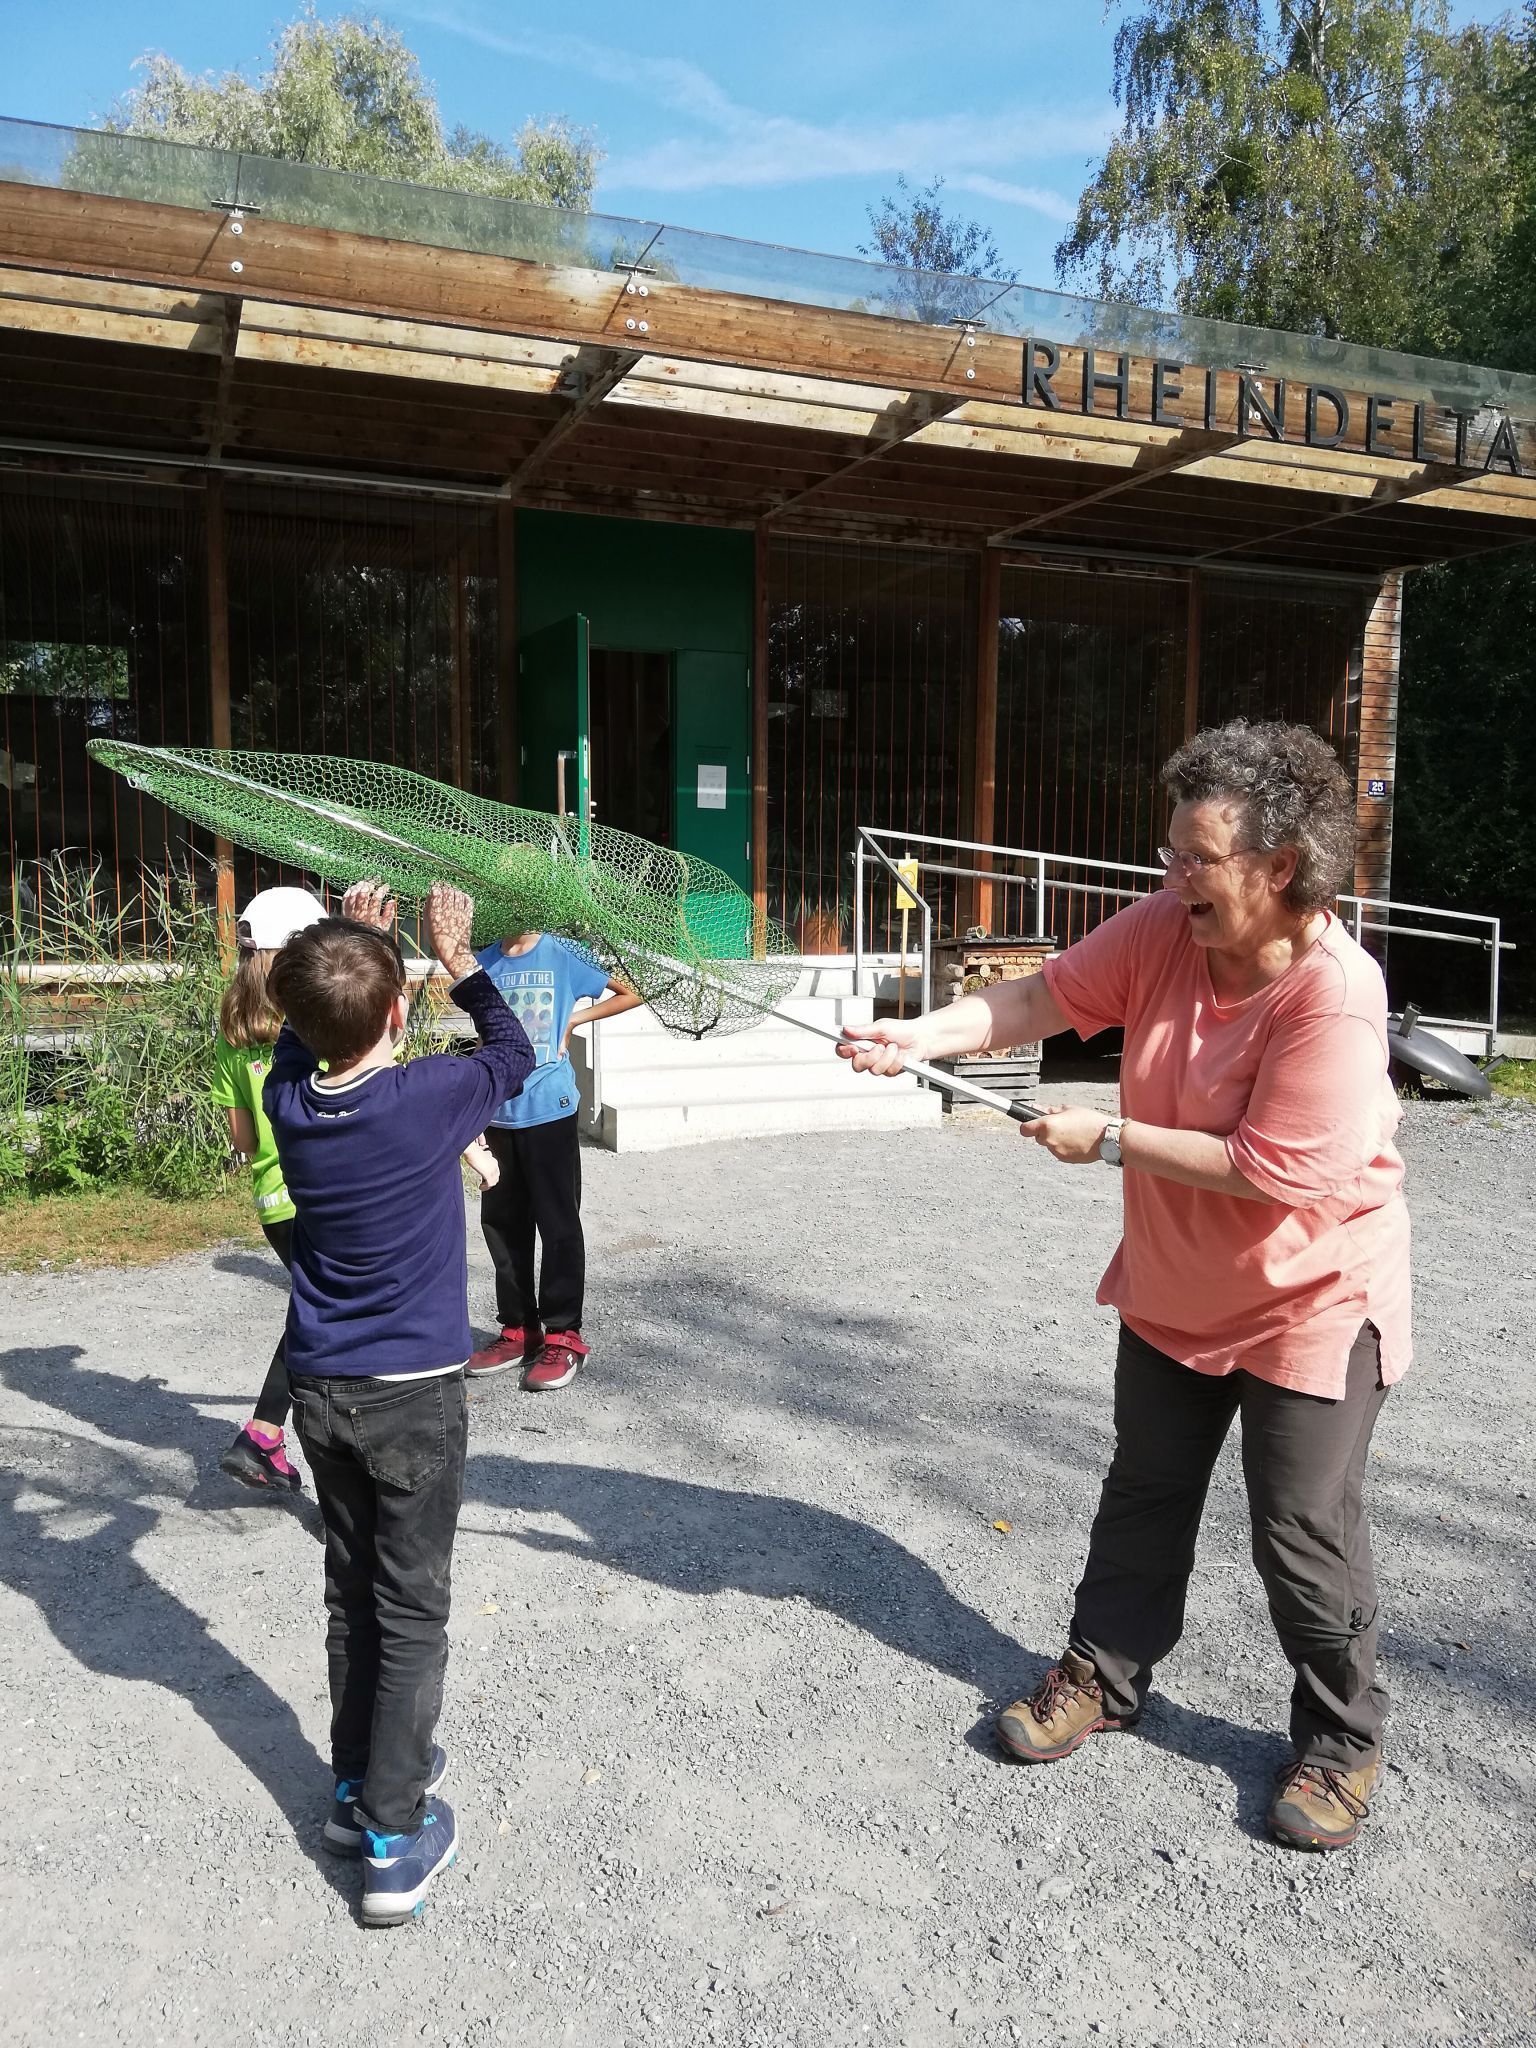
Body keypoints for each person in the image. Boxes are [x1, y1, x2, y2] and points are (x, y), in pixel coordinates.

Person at [841, 719, 1410, 1854]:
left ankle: (1342, 1740)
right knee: (1145, 1488)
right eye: (1170, 852)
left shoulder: (1333, 995)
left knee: (1301, 1528)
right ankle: (1103, 1673)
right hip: (1176, 1284)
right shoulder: (1165, 930)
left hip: (1312, 1295)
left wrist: (1108, 1140)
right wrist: (922, 1034)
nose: (1171, 875)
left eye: (1196, 856)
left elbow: (1277, 1170)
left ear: (1278, 866)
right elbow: (1038, 1000)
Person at [265, 877, 535, 1925]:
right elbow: (512, 1052)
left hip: (323, 1395)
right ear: (394, 1013)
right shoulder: (427, 1097)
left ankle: (352, 1784)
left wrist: (358, 943)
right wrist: (455, 956)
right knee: (411, 1608)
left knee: (352, 1592)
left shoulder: (292, 1098)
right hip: (413, 1398)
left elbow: (307, 1036)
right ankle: (392, 1830)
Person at [466, 932, 641, 1392]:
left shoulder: (565, 954)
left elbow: (632, 991)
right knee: (502, 1225)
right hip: (501, 1112)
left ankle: (564, 1334)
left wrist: (574, 1019)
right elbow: (486, 1038)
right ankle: (519, 1329)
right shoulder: (483, 962)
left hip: (551, 1107)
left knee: (558, 1223)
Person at [213, 886, 326, 1492]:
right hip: (318, 1192)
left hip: (271, 1203)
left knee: (311, 1308)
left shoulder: (230, 1030)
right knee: (319, 1314)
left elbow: (245, 1141)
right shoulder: (312, 1023)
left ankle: (266, 1434)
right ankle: (267, 1433)